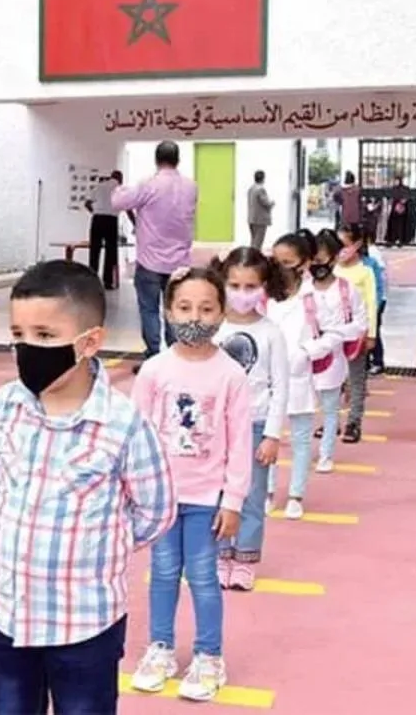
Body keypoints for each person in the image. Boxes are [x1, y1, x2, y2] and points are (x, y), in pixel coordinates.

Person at [0, 259, 175, 715]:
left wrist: (100, 544)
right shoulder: (5, 406)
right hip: (6, 614)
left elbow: (155, 511)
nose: (28, 348)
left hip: (85, 624)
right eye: (18, 334)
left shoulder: (122, 423)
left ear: (89, 342)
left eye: (44, 336)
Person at [129, 267, 250, 702]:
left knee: (202, 577)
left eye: (205, 308)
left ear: (222, 313)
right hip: (162, 499)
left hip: (206, 500)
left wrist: (233, 500)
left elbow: (240, 443)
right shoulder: (154, 371)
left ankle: (209, 655)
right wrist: (136, 492)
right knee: (162, 574)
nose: (194, 317)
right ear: (168, 311)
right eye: (184, 308)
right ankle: (160, 648)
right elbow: (137, 435)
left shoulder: (231, 375)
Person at [210, 248, 288, 590]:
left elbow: (280, 387)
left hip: (254, 425)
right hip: (214, 427)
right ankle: (220, 553)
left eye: (251, 286)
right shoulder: (213, 327)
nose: (242, 294)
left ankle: (245, 558)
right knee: (216, 492)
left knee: (252, 495)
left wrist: (272, 435)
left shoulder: (271, 332)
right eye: (235, 285)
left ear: (264, 286)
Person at [266, 232, 340, 520]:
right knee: (267, 436)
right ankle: (267, 491)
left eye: (287, 262)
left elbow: (333, 334)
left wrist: (306, 352)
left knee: (300, 439)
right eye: (276, 261)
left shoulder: (314, 298)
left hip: (298, 376)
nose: (280, 267)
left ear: (305, 263)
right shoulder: (266, 294)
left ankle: (296, 494)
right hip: (267, 379)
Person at [112, 141, 199, 360]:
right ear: (178, 160)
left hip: (150, 261)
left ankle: (153, 356)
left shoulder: (148, 185)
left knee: (149, 309)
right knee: (176, 309)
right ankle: (175, 355)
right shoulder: (191, 186)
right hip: (180, 263)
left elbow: (118, 202)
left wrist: (120, 186)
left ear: (156, 160)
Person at [308, 231, 366, 466]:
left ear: (333, 259)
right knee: (303, 408)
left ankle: (326, 454)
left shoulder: (347, 289)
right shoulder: (303, 290)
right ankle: (303, 450)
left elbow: (360, 322)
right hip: (306, 354)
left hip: (333, 356)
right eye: (313, 260)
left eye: (322, 260)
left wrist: (334, 336)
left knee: (330, 407)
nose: (317, 266)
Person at [333, 224, 377, 441]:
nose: (340, 250)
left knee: (356, 379)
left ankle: (354, 422)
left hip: (356, 334)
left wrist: (371, 333)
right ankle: (331, 420)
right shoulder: (333, 270)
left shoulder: (365, 272)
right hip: (333, 333)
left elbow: (371, 303)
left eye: (344, 245)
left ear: (357, 245)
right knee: (332, 380)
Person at [86, 170, 123, 289]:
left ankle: (92, 281)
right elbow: (127, 208)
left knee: (94, 250)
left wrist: (95, 211)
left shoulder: (99, 186)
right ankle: (107, 282)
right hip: (111, 220)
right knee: (110, 252)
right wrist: (135, 223)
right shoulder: (120, 189)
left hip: (97, 219)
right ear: (120, 179)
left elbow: (87, 203)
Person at [362, 234, 387, 374]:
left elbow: (379, 282)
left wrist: (377, 302)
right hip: (364, 302)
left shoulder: (373, 255)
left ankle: (378, 361)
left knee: (373, 331)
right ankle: (365, 362)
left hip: (376, 300)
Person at [246, 170, 274, 250]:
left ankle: (251, 255)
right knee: (258, 242)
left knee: (253, 240)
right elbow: (266, 203)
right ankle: (255, 256)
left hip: (252, 218)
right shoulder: (261, 189)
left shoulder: (251, 188)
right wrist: (272, 203)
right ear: (263, 178)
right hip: (260, 220)